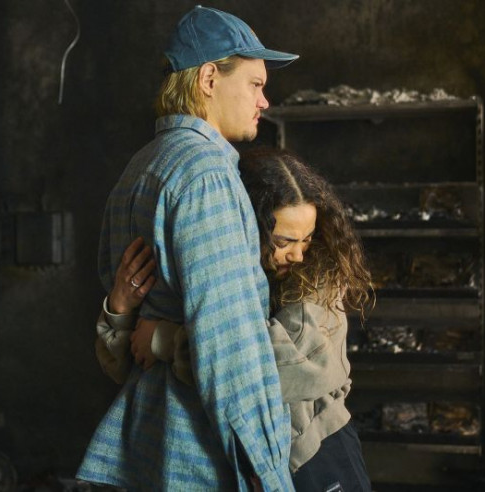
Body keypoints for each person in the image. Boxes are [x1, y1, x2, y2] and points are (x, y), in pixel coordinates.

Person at [76, 5, 299, 491]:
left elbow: (123, 333)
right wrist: (268, 474)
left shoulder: (140, 167)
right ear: (208, 79)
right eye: (255, 84)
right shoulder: (206, 176)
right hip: (198, 454)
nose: (265, 101)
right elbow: (230, 350)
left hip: (147, 443)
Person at [97, 147, 374, 491]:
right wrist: (120, 308)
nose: (299, 254)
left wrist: (167, 341)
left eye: (307, 239)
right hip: (243, 460)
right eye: (284, 241)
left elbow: (281, 369)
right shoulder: (223, 277)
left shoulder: (319, 279)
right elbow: (129, 370)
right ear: (249, 226)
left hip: (316, 451)